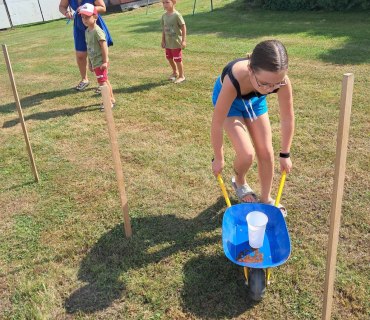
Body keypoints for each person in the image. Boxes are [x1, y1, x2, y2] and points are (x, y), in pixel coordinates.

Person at [211, 40, 294, 214]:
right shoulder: (234, 79)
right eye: (265, 83)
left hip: (255, 102)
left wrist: (285, 153)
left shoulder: (279, 82)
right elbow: (217, 123)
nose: (270, 89)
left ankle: (266, 199)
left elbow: (287, 117)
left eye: (276, 84)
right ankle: (239, 181)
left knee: (266, 152)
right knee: (247, 153)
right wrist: (218, 158)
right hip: (231, 103)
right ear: (250, 70)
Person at [59, 0, 113, 91]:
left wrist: (86, 9)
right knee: (80, 55)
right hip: (79, 25)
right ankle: (85, 79)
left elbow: (103, 8)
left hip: (93, 22)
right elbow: (62, 6)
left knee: (98, 52)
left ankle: (103, 82)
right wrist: (66, 12)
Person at [79, 3, 115, 111]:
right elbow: (89, 48)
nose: (85, 19)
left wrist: (105, 61)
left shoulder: (97, 31)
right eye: (83, 17)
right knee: (105, 80)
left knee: (102, 83)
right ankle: (111, 99)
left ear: (95, 17)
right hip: (95, 62)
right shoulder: (87, 32)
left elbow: (104, 46)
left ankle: (108, 102)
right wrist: (90, 62)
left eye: (87, 17)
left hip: (100, 62)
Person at [161, 0, 186, 84]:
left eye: (167, 2)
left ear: (173, 2)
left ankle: (182, 76)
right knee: (169, 58)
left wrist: (183, 41)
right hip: (168, 43)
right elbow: (164, 29)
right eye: (163, 3)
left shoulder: (177, 15)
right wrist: (163, 40)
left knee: (178, 59)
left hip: (176, 42)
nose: (165, 4)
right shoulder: (164, 16)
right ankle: (175, 72)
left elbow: (183, 27)